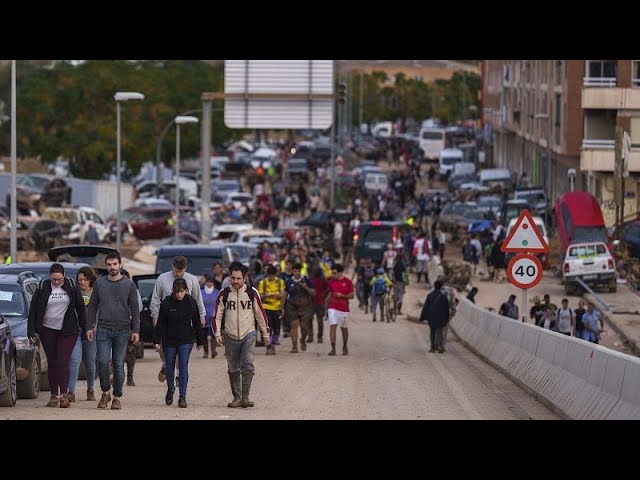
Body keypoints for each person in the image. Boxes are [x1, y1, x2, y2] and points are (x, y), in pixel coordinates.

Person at [27, 263, 88, 408]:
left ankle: (64, 395)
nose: (56, 282)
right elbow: (33, 312)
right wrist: (31, 331)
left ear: (64, 276)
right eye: (54, 279)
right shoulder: (42, 288)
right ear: (49, 277)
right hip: (47, 330)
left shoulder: (71, 287)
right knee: (53, 362)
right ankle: (54, 395)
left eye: (59, 279)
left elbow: (80, 309)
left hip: (68, 329)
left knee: (63, 361)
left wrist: (85, 330)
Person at [87, 251, 140, 410]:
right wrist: (90, 325)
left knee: (118, 364)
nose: (112, 267)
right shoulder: (99, 283)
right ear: (106, 266)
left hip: (123, 330)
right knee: (102, 361)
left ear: (120, 264)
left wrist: (136, 329)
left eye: (115, 264)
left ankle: (117, 396)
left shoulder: (129, 284)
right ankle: (105, 392)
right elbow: (93, 305)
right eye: (109, 265)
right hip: (103, 328)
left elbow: (135, 308)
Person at [213, 264, 270, 408]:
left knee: (248, 365)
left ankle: (245, 397)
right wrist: (217, 333)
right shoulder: (224, 294)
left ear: (244, 278)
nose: (235, 281)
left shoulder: (252, 293)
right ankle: (237, 397)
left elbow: (260, 314)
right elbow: (217, 316)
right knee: (233, 368)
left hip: (248, 334)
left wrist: (265, 333)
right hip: (230, 335)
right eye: (233, 278)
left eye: (238, 278)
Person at [150, 255, 206, 384]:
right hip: (166, 320)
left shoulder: (192, 280)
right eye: (176, 271)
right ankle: (165, 365)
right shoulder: (162, 279)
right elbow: (155, 299)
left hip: (185, 321)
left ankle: (179, 375)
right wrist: (155, 316)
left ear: (185, 268)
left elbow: (198, 300)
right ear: (172, 267)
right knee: (163, 348)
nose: (179, 274)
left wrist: (201, 316)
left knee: (181, 349)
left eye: (181, 271)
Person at [154, 278, 204, 408]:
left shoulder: (191, 302)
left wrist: (200, 340)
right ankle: (171, 390)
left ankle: (182, 397)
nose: (179, 295)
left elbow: (197, 321)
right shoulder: (167, 302)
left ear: (186, 290)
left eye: (182, 292)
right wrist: (157, 340)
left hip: (186, 340)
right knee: (169, 366)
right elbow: (160, 323)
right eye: (177, 292)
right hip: (169, 340)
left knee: (183, 366)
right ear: (172, 291)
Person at [67, 266, 98, 402]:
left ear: (90, 280)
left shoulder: (96, 293)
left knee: (90, 362)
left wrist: (96, 325)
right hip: (76, 331)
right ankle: (71, 391)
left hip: (92, 331)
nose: (82, 282)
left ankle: (90, 389)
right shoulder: (74, 293)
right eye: (80, 280)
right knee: (74, 360)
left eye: (85, 279)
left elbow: (100, 311)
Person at [283, 263, 315, 353]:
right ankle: (294, 347)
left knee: (304, 327)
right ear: (292, 271)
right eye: (295, 271)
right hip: (292, 307)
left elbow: (313, 293)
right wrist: (282, 307)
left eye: (298, 271)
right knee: (294, 326)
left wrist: (306, 287)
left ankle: (303, 339)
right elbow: (285, 294)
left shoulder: (306, 280)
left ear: (301, 271)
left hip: (305, 307)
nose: (297, 273)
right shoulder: (288, 282)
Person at [121, 268, 144, 386]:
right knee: (117, 351)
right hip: (117, 324)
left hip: (129, 324)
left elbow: (139, 306)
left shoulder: (133, 289)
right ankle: (118, 375)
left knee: (130, 352)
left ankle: (130, 377)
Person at [257, 265, 286, 355]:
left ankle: (273, 344)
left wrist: (281, 305)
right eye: (269, 276)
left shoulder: (280, 282)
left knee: (277, 329)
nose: (271, 278)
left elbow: (282, 294)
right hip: (266, 307)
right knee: (268, 328)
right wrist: (267, 296)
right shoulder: (263, 283)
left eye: (272, 276)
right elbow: (260, 296)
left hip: (277, 307)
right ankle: (268, 347)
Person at [326, 264, 354, 356]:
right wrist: (326, 308)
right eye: (332, 273)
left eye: (334, 273)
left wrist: (342, 295)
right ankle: (333, 348)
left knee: (344, 328)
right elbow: (329, 295)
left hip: (344, 308)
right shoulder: (331, 282)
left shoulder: (348, 282)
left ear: (340, 272)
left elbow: (352, 295)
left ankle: (344, 346)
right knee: (332, 326)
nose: (333, 275)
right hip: (332, 307)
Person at [419, 280, 450, 354]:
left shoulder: (430, 295)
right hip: (441, 317)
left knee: (432, 332)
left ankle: (432, 347)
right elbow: (447, 309)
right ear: (441, 287)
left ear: (434, 286)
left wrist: (422, 317)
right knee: (439, 332)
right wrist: (446, 318)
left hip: (432, 317)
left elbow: (425, 307)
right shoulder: (443, 297)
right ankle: (439, 346)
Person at [201, 273, 219, 358]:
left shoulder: (216, 292)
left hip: (213, 317)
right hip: (204, 317)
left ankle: (213, 351)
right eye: (208, 281)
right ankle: (205, 352)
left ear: (213, 283)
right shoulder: (201, 292)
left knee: (213, 335)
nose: (209, 283)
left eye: (211, 282)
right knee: (204, 336)